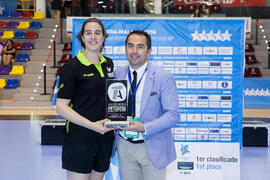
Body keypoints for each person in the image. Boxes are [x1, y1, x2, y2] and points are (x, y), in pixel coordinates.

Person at [113, 30, 180, 180]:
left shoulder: (163, 77)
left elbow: (173, 114)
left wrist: (144, 127)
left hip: (152, 144)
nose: (134, 51)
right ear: (125, 49)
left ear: (149, 51)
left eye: (140, 46)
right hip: (124, 145)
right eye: (130, 46)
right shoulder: (117, 75)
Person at [56, 18, 114, 180]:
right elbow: (61, 107)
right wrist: (92, 126)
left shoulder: (108, 64)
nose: (93, 37)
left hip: (104, 137)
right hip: (79, 139)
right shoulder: (71, 68)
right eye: (88, 33)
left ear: (103, 37)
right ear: (82, 37)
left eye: (97, 33)